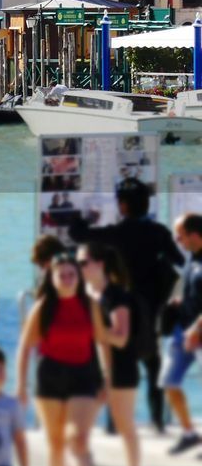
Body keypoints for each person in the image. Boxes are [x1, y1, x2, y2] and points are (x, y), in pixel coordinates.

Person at [69, 178, 183, 435]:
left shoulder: (115, 234)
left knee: (116, 366)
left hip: (119, 306)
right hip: (151, 308)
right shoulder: (159, 233)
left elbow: (77, 234)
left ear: (122, 205)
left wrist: (87, 216)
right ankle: (157, 421)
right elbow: (177, 260)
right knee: (153, 365)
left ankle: (113, 424)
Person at [16, 254, 108, 466]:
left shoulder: (89, 305)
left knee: (78, 439)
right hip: (50, 377)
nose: (67, 279)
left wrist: (105, 376)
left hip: (83, 376)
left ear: (78, 278)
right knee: (55, 443)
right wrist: (21, 385)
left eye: (71, 274)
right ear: (53, 279)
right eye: (62, 275)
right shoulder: (43, 307)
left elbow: (102, 342)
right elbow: (25, 348)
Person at [80, 242, 144, 466]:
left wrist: (93, 330)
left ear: (100, 264)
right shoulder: (86, 293)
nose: (79, 267)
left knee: (124, 424)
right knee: (79, 425)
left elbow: (121, 339)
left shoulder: (117, 296)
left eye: (83, 262)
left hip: (121, 368)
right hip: (92, 368)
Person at [165, 213, 202, 454]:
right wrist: (179, 301)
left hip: (197, 332)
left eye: (181, 235)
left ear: (195, 235)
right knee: (169, 381)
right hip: (184, 331)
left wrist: (197, 329)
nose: (177, 240)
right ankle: (189, 433)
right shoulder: (192, 259)